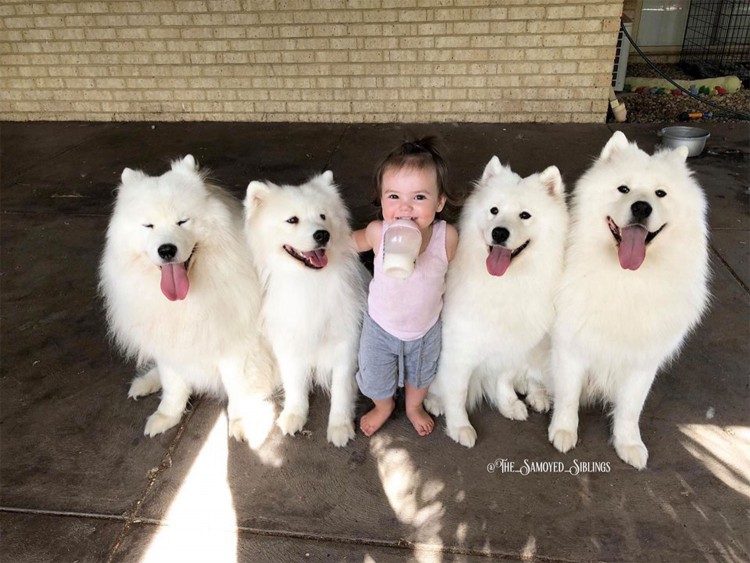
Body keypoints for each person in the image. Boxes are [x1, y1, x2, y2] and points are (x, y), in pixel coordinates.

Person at [352, 137, 459, 437]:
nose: (405, 208)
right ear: (382, 200)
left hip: (424, 329)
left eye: (420, 198)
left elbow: (463, 268)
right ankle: (383, 406)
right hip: (380, 326)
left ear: (439, 202)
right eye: (394, 196)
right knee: (375, 376)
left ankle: (413, 407)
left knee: (420, 378)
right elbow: (349, 243)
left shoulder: (445, 237)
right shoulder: (377, 233)